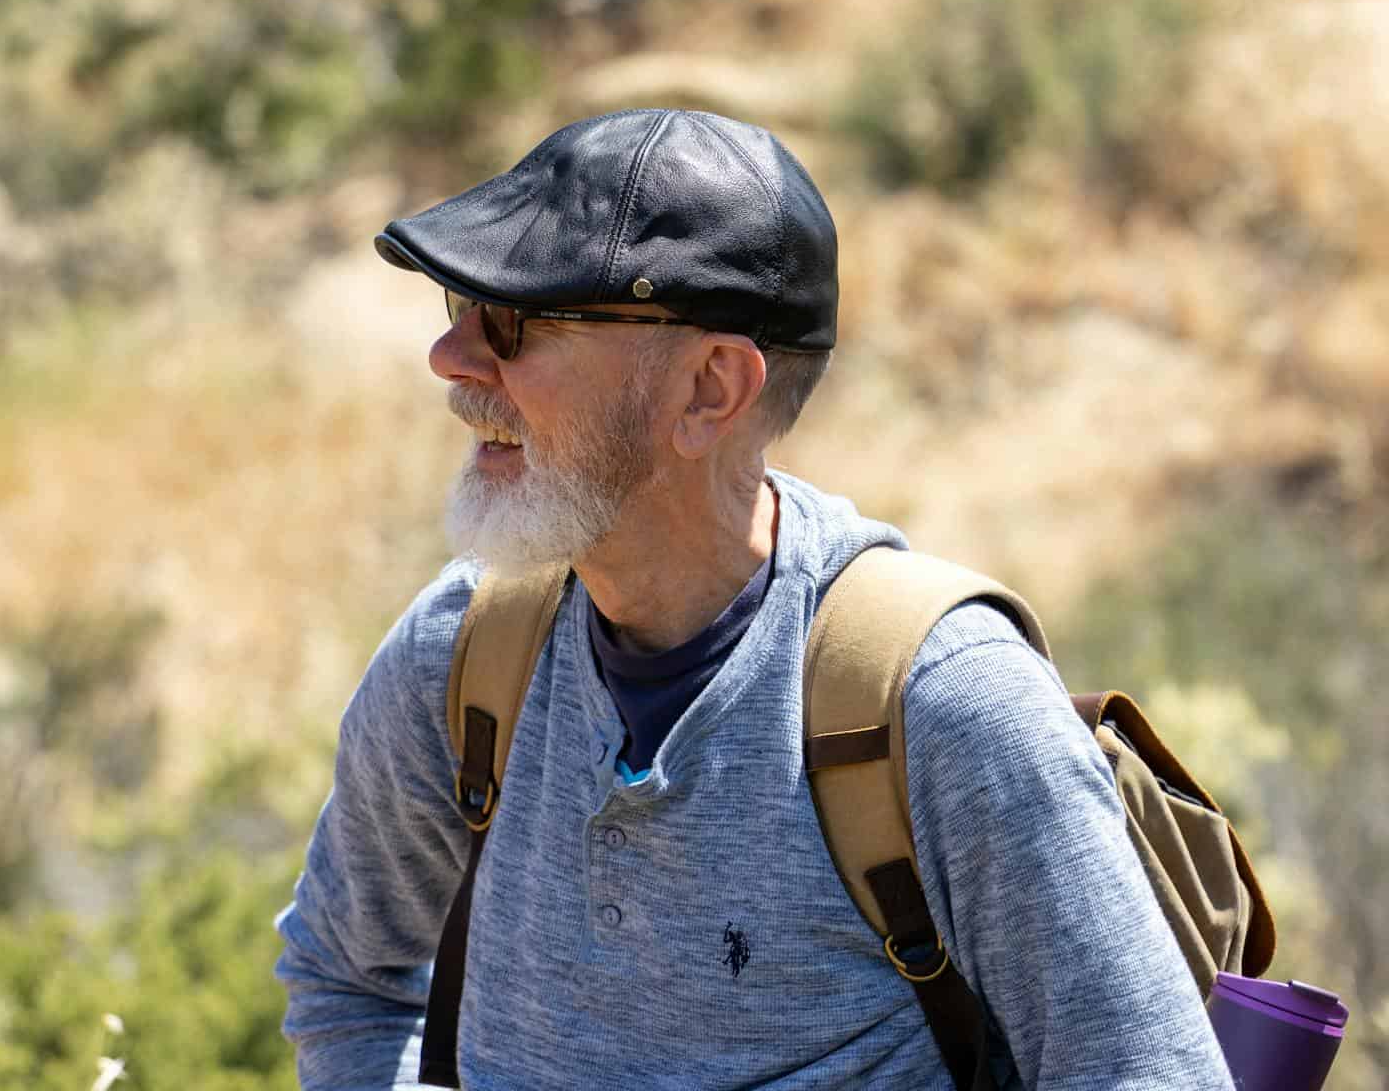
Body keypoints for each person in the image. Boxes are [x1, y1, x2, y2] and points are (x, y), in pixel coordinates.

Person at [273, 108, 1232, 1089]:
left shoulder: (948, 710)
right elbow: (345, 972)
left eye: (515, 322)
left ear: (709, 389)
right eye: (458, 304)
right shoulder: (464, 655)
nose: (455, 359)